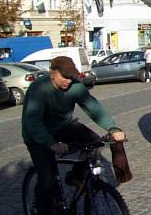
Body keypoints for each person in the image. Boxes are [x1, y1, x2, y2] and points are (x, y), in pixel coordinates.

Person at [22, 56, 125, 215]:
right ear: (53, 74)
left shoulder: (75, 86)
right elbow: (33, 121)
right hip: (38, 133)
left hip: (64, 126)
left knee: (94, 143)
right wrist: (51, 144)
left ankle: (75, 177)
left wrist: (112, 128)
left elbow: (93, 107)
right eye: (65, 76)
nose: (69, 80)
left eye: (71, 76)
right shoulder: (39, 88)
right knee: (48, 181)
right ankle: (42, 209)